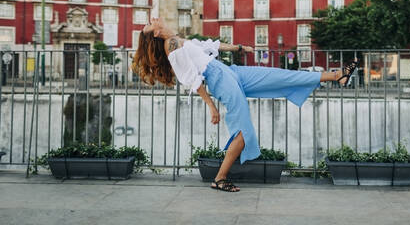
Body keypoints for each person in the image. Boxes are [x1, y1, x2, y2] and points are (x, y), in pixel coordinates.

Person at [132, 18, 358, 192]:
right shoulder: (171, 45)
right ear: (157, 33)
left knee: (278, 75)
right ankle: (219, 179)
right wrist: (211, 106)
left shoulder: (179, 40)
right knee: (243, 130)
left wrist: (241, 48)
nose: (155, 20)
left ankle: (337, 75)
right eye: (152, 24)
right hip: (220, 79)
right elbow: (192, 78)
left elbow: (213, 46)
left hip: (230, 72)